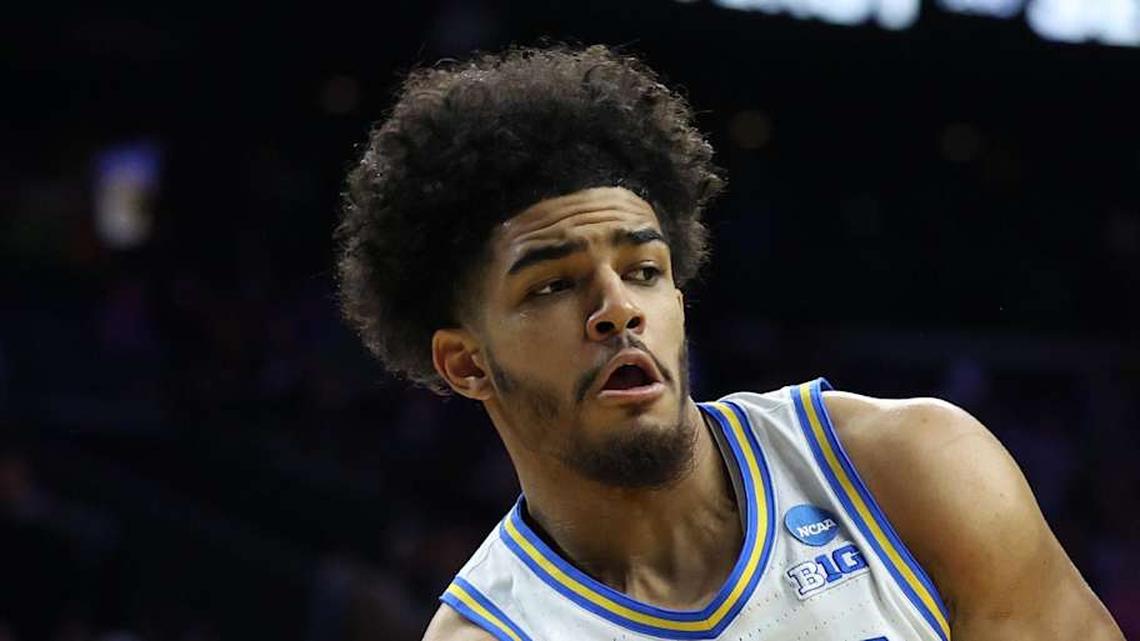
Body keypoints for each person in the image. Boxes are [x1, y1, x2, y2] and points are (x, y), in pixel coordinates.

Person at [335, 44, 1123, 641]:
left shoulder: (909, 465)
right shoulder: (497, 630)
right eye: (551, 285)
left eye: (642, 269)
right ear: (467, 362)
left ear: (677, 297)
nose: (616, 310)